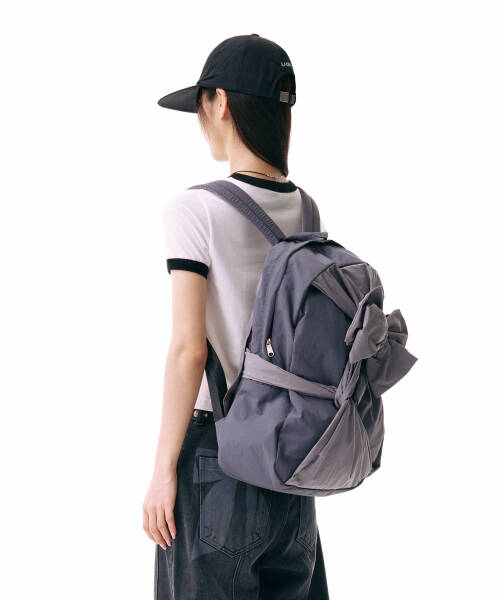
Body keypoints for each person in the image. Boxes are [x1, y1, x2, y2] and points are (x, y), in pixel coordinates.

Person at [143, 33, 330, 599]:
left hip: (216, 455)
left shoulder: (194, 210)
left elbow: (189, 350)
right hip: (291, 462)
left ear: (220, 102)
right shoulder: (307, 211)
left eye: (202, 104)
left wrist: (162, 471)